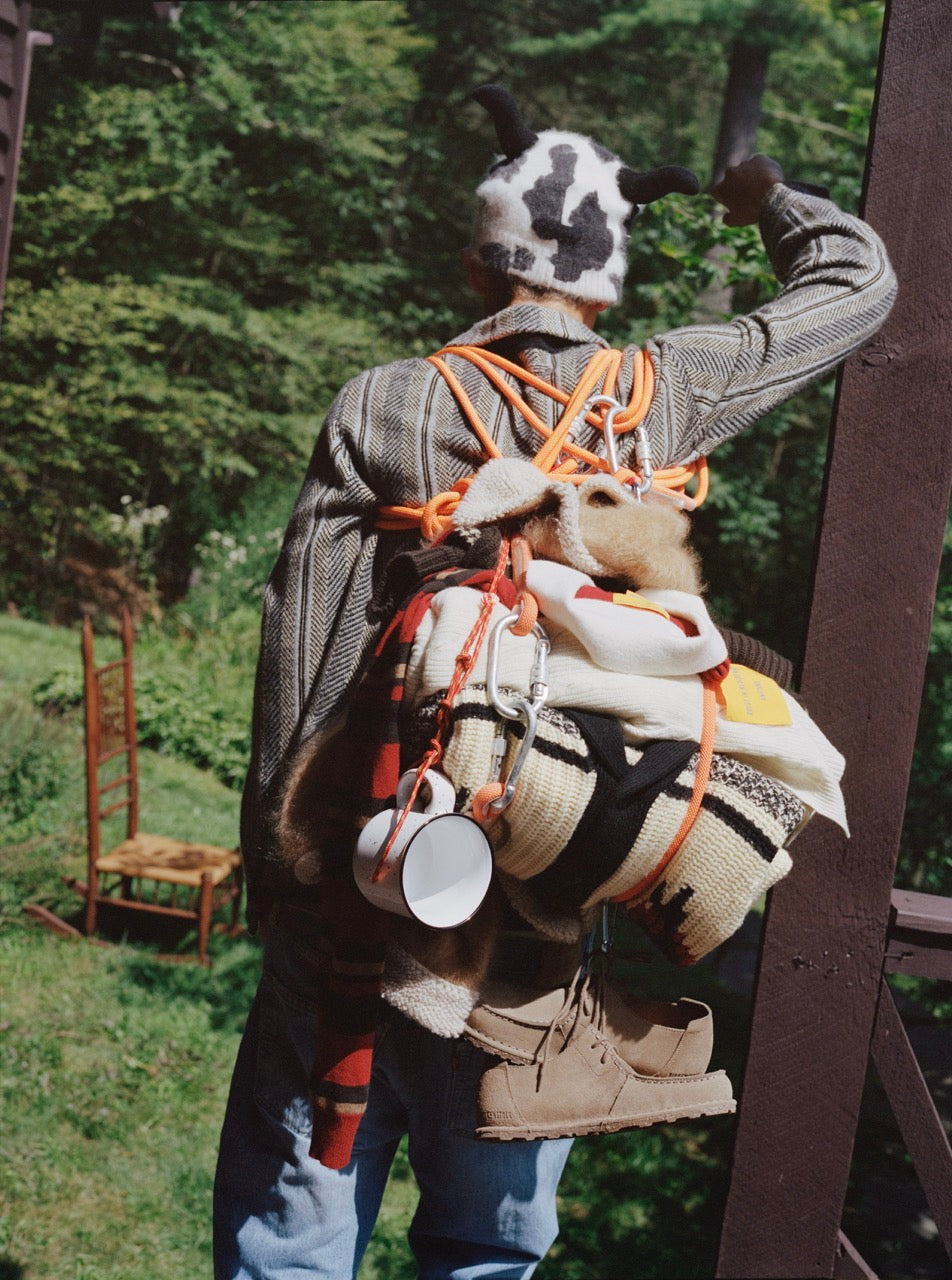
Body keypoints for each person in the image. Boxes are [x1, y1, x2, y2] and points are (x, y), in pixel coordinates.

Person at [213, 85, 896, 1279]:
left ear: (480, 259)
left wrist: (282, 864)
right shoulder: (660, 394)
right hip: (539, 891)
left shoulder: (389, 401)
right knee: (488, 1241)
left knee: (292, 1237)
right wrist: (765, 198)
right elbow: (859, 286)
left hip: (363, 894)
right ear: (604, 276)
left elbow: (300, 641)